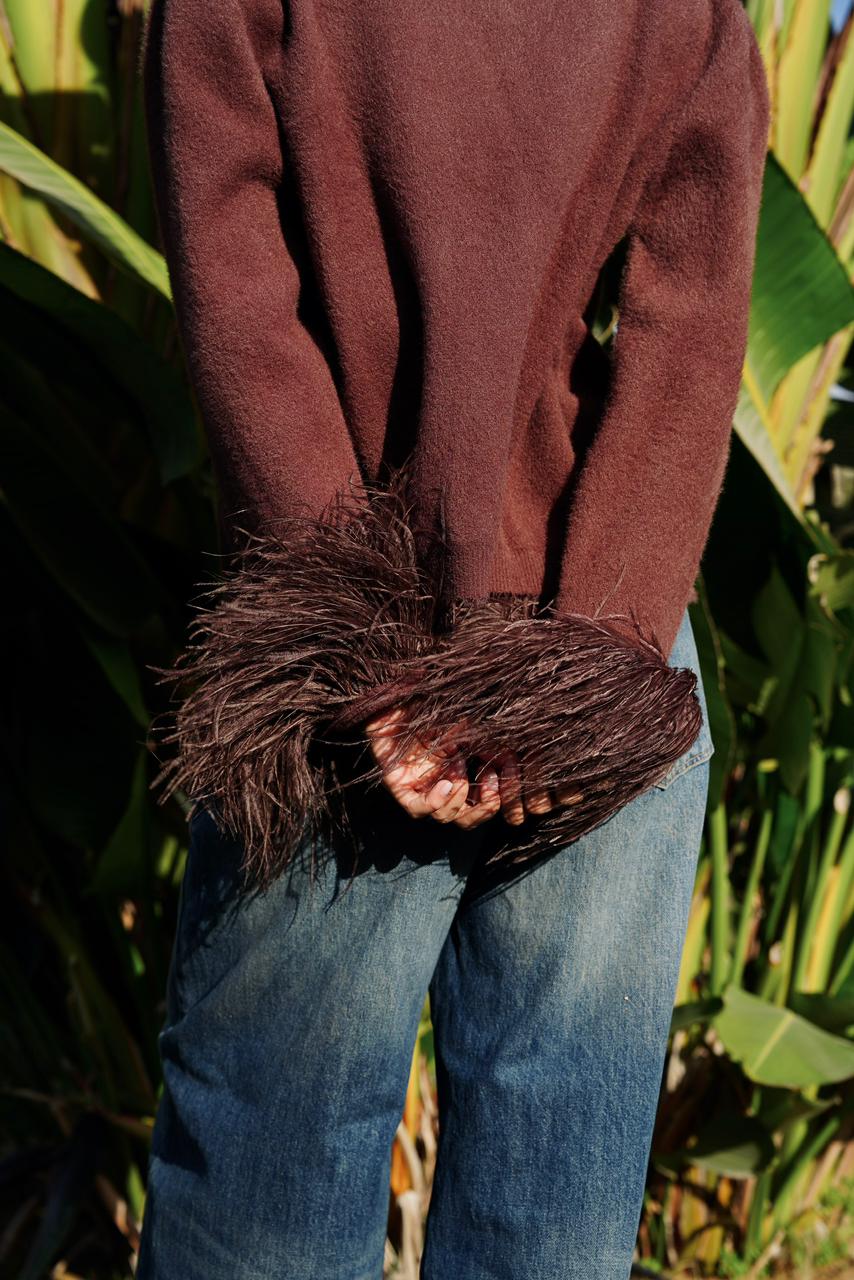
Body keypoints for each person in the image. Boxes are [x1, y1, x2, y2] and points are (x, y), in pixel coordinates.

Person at [135, 0, 770, 1276]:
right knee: (552, 1210)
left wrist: (376, 665)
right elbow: (686, 328)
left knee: (267, 1186)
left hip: (343, 687)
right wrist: (586, 670)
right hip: (601, 633)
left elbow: (238, 291)